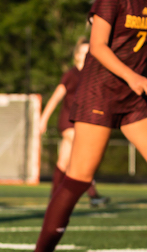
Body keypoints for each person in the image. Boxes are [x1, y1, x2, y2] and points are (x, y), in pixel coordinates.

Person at [27, 0, 147, 252]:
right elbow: (99, 47)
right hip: (100, 91)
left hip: (133, 99)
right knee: (78, 177)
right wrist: (133, 76)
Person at [39, 38, 109, 206]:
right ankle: (93, 195)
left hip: (82, 121)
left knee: (63, 161)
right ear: (76, 56)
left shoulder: (92, 75)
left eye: (89, 54)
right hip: (68, 121)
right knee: (82, 155)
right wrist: (43, 119)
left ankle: (54, 198)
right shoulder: (71, 75)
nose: (87, 57)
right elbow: (56, 98)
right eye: (84, 53)